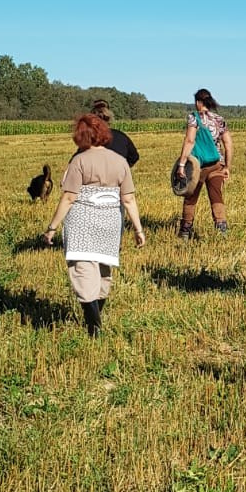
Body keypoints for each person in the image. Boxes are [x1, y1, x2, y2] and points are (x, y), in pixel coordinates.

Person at [42, 113, 145, 335]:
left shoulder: (79, 161)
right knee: (103, 270)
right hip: (110, 224)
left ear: (81, 136)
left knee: (83, 270)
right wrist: (138, 229)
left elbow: (69, 197)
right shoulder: (120, 162)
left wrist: (52, 228)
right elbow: (128, 199)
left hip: (83, 223)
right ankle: (96, 316)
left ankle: (93, 327)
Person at [175, 88, 234, 239]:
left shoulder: (194, 118)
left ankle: (185, 231)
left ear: (198, 102)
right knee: (216, 196)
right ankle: (221, 231)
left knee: (190, 197)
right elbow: (228, 144)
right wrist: (227, 166)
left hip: (198, 166)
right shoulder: (219, 119)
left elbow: (190, 141)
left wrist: (181, 164)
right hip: (217, 164)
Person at [91, 99, 139, 167]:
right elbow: (134, 157)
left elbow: (76, 161)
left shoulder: (89, 139)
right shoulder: (122, 137)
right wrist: (122, 169)